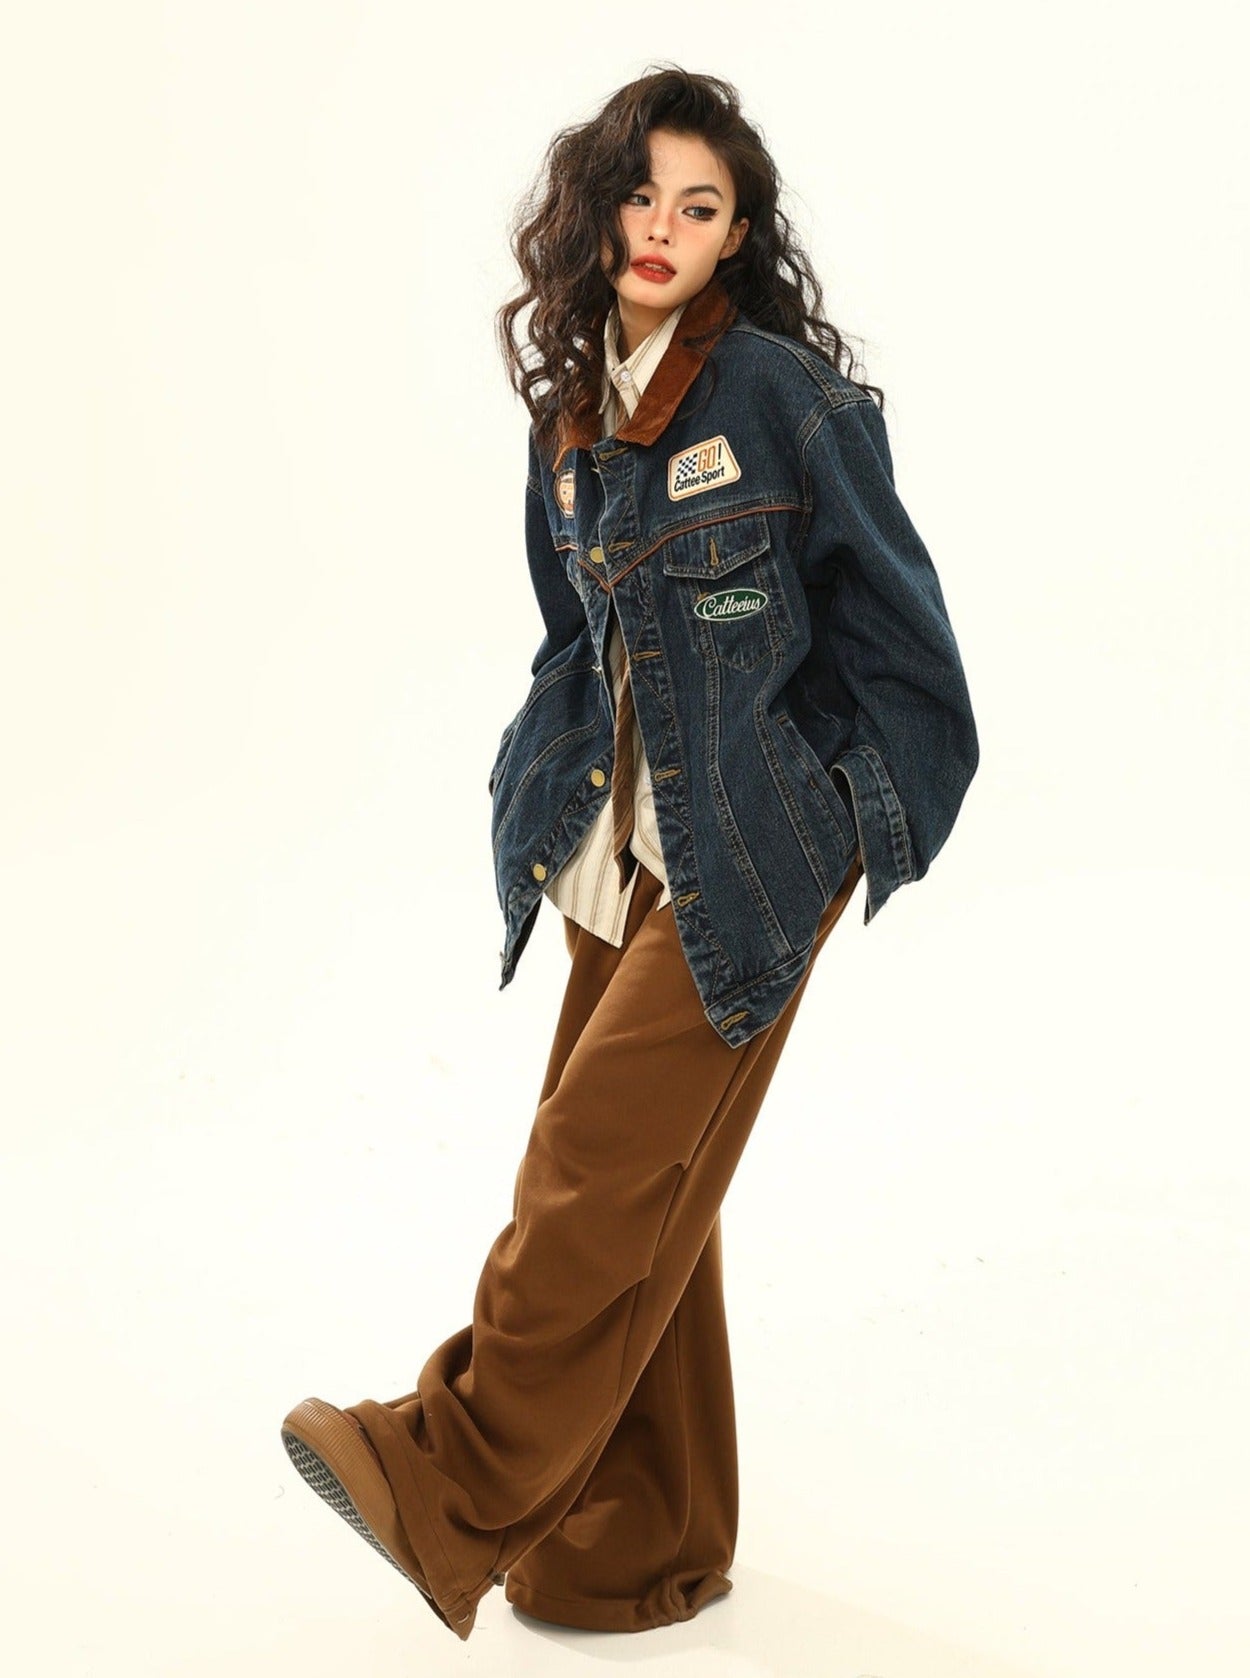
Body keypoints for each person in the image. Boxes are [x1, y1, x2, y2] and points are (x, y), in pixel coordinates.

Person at [280, 65, 979, 1643]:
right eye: (643, 194)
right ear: (596, 212)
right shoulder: (575, 420)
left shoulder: (784, 402)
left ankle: (447, 1473)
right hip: (615, 854)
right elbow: (573, 643)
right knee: (652, 1192)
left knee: (590, 1168)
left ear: (736, 238)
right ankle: (639, 1545)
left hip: (750, 855)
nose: (664, 226)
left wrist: (835, 833)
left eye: (700, 206)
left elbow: (915, 674)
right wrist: (534, 793)